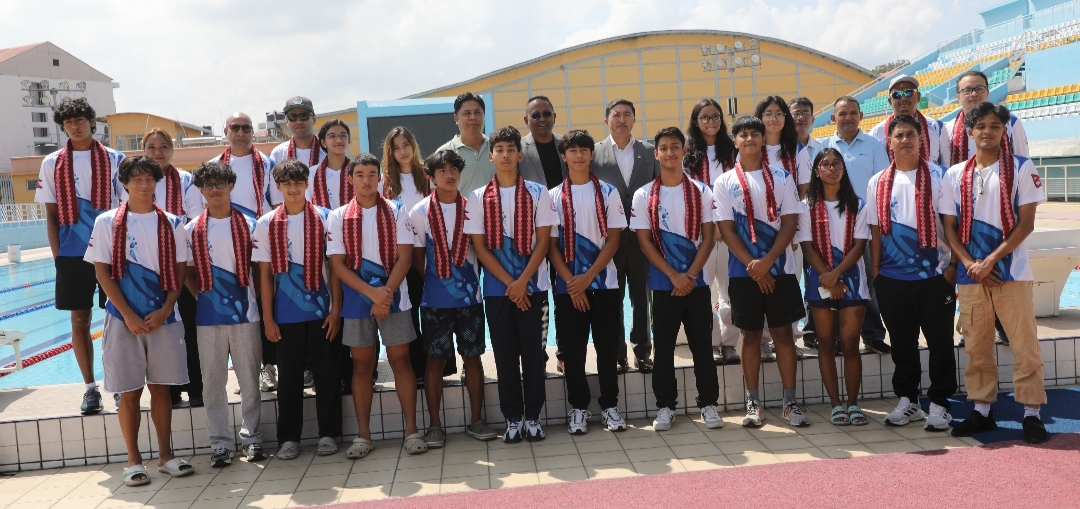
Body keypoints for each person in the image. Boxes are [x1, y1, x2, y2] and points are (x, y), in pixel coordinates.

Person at [939, 102, 1049, 444]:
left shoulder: (1021, 167)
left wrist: (989, 262)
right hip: (971, 276)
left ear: (1004, 131)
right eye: (981, 126)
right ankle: (982, 409)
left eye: (995, 126)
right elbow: (949, 227)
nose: (987, 131)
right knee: (977, 346)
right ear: (970, 132)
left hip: (1011, 273)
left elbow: (1026, 223)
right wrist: (972, 264)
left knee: (1025, 345)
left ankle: (1031, 413)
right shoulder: (955, 174)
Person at [85, 155, 192, 486]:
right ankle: (133, 460)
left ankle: (165, 455)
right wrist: (129, 314)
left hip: (164, 317)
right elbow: (102, 272)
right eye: (138, 179)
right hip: (122, 318)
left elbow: (179, 271)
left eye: (150, 179)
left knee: (161, 388)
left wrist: (166, 309)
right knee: (129, 391)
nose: (144, 185)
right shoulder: (107, 222)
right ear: (126, 183)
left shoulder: (172, 223)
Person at [327, 153, 427, 458]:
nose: (367, 180)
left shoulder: (397, 210)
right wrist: (372, 294)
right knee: (362, 366)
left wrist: (385, 295)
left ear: (380, 178)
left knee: (401, 361)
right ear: (350, 179)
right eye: (360, 174)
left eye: (372, 174)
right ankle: (363, 435)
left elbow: (405, 258)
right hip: (358, 301)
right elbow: (338, 265)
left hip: (395, 298)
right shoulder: (338, 216)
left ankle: (411, 431)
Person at [464, 126, 559, 443]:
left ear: (520, 155)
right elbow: (480, 249)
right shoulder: (478, 197)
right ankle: (513, 418)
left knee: (534, 354)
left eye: (510, 150)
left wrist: (523, 282)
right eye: (499, 150)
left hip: (534, 287)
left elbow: (543, 242)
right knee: (504, 356)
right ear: (491, 156)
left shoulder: (538, 193)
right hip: (498, 290)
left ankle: (533, 417)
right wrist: (511, 284)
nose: (505, 155)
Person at [715, 116, 808, 428]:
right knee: (750, 335)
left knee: (783, 335)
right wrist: (754, 267)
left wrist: (768, 261)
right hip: (743, 272)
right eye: (743, 134)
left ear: (763, 139)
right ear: (736, 141)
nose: (750, 139)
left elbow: (790, 223)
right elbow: (726, 229)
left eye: (755, 134)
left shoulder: (782, 176)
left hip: (780, 268)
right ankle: (753, 403)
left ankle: (790, 402)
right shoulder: (725, 181)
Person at [867, 115, 957, 431]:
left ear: (921, 140)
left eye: (911, 134)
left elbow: (953, 225)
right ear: (889, 142)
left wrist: (952, 267)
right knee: (902, 343)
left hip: (935, 276)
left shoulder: (941, 176)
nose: (905, 139)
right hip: (892, 278)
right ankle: (908, 401)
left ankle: (940, 403)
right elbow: (875, 230)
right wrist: (876, 272)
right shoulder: (877, 181)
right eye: (899, 135)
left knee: (940, 343)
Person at [36, 97, 124, 415]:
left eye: (80, 120)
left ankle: (119, 384)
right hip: (72, 254)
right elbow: (51, 215)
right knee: (79, 319)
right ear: (63, 127)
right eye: (68, 122)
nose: (75, 126)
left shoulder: (115, 159)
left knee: (118, 318)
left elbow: (125, 209)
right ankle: (90, 389)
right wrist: (58, 256)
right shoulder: (52, 163)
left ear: (91, 122)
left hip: (110, 252)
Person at [631, 127, 721, 431]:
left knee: (702, 346)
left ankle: (708, 403)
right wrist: (673, 275)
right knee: (664, 348)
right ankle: (665, 406)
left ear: (684, 151)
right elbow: (644, 243)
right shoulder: (644, 195)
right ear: (656, 154)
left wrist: (690, 275)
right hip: (662, 285)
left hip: (697, 283)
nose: (670, 153)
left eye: (675, 147)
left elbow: (709, 238)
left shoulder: (702, 191)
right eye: (664, 148)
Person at [252, 159, 343, 459]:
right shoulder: (266, 223)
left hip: (322, 311)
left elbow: (335, 268)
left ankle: (329, 433)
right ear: (278, 186)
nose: (293, 188)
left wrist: (336, 310)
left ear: (307, 184)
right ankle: (289, 438)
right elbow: (265, 275)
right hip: (286, 314)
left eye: (298, 183)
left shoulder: (326, 217)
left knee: (326, 374)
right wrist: (268, 319)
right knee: (289, 379)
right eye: (287, 183)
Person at [410, 150, 499, 447]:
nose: (449, 175)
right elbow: (418, 259)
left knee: (473, 358)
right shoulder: (420, 212)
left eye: (454, 170)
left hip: (470, 300)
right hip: (435, 302)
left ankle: (477, 420)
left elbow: (482, 250)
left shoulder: (473, 207)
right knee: (435, 362)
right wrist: (441, 285)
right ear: (431, 177)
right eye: (442, 171)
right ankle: (435, 425)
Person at [185, 161, 266, 468]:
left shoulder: (251, 225)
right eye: (208, 185)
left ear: (231, 186)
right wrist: (205, 298)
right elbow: (187, 273)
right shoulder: (191, 230)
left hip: (246, 314)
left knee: (249, 380)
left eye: (220, 183)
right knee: (212, 383)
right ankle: (220, 443)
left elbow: (261, 270)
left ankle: (252, 437)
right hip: (208, 319)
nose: (215, 190)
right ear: (200, 190)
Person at [548, 130, 628, 434]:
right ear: (564, 156)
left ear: (591, 154)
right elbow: (551, 246)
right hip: (567, 288)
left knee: (607, 349)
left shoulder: (608, 192)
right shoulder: (553, 197)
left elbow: (614, 240)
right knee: (573, 350)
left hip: (604, 284)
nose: (578, 155)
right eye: (572, 151)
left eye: (584, 150)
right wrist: (573, 283)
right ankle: (578, 408)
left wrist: (588, 278)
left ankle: (609, 406)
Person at [944, 71, 1031, 347]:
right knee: (976, 343)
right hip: (964, 212)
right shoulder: (947, 129)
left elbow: (1022, 164)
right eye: (967, 90)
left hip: (1001, 213)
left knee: (1023, 342)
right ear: (958, 96)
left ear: (987, 91)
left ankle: (1002, 326)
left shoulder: (1011, 123)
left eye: (979, 88)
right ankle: (972, 328)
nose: (973, 94)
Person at [795, 149, 871, 426]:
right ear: (816, 171)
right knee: (826, 344)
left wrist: (837, 275)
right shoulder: (805, 206)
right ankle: (836, 404)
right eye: (825, 165)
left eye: (836, 164)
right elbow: (807, 247)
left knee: (850, 345)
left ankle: (853, 403)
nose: (831, 169)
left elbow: (859, 246)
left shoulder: (858, 205)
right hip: (820, 279)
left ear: (843, 169)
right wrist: (828, 278)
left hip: (852, 281)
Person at [208, 112, 278, 393]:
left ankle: (268, 367)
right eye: (235, 127)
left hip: (260, 244)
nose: (240, 133)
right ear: (226, 131)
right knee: (235, 308)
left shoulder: (268, 164)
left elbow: (277, 206)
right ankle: (242, 371)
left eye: (245, 128)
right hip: (225, 248)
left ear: (252, 131)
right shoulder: (213, 166)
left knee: (263, 304)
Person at [591, 99, 660, 374]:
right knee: (613, 299)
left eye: (627, 114)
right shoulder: (594, 153)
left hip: (643, 238)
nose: (621, 119)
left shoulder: (649, 151)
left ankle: (642, 351)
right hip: (610, 239)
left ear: (634, 119)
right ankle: (618, 354)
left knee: (642, 298)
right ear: (606, 120)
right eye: (616, 114)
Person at [821, 96, 892, 355]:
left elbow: (883, 185)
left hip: (866, 225)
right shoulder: (824, 147)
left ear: (861, 116)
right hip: (832, 228)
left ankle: (872, 334)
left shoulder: (874, 146)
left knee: (869, 281)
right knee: (832, 279)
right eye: (842, 113)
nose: (848, 117)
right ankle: (836, 337)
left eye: (853, 112)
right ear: (833, 118)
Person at [142, 129, 206, 409]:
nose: (158, 152)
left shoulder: (185, 180)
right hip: (147, 268)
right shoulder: (135, 180)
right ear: (143, 150)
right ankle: (170, 391)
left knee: (189, 329)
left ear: (171, 150)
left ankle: (196, 388)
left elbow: (194, 221)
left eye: (163, 147)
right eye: (151, 147)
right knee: (162, 332)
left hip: (181, 263)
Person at [683, 99, 740, 365]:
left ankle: (730, 342)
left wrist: (722, 223)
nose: (710, 121)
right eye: (704, 117)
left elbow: (739, 189)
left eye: (715, 116)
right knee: (704, 289)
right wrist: (711, 224)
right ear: (696, 122)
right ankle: (712, 342)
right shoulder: (687, 154)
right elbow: (687, 193)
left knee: (730, 288)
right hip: (700, 232)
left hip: (730, 230)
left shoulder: (733, 151)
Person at [382, 127, 436, 383]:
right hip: (401, 256)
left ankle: (437, 367)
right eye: (396, 147)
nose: (402, 151)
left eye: (406, 145)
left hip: (429, 252)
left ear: (413, 146)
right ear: (390, 152)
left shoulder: (427, 176)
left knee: (433, 312)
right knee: (410, 313)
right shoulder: (385, 182)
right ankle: (416, 369)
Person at [518, 95, 567, 372]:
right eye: (535, 115)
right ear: (526, 119)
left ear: (554, 116)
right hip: (533, 235)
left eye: (546, 114)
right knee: (538, 297)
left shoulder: (566, 146)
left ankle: (564, 351)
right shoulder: (518, 149)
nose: (541, 119)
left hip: (565, 233)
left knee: (564, 293)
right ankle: (537, 354)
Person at [870, 75, 950, 166]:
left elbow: (946, 165)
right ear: (890, 101)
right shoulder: (877, 133)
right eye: (897, 95)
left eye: (909, 93)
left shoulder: (937, 127)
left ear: (918, 97)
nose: (903, 98)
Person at [437, 92, 497, 195]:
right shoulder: (444, 153)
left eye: (477, 112)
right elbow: (437, 195)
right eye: (467, 113)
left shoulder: (497, 150)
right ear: (456, 118)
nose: (473, 117)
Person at [270, 96, 325, 206]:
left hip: (322, 214)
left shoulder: (327, 152)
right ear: (287, 121)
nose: (298, 121)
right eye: (293, 117)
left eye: (304, 116)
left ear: (314, 119)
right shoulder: (278, 153)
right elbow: (276, 199)